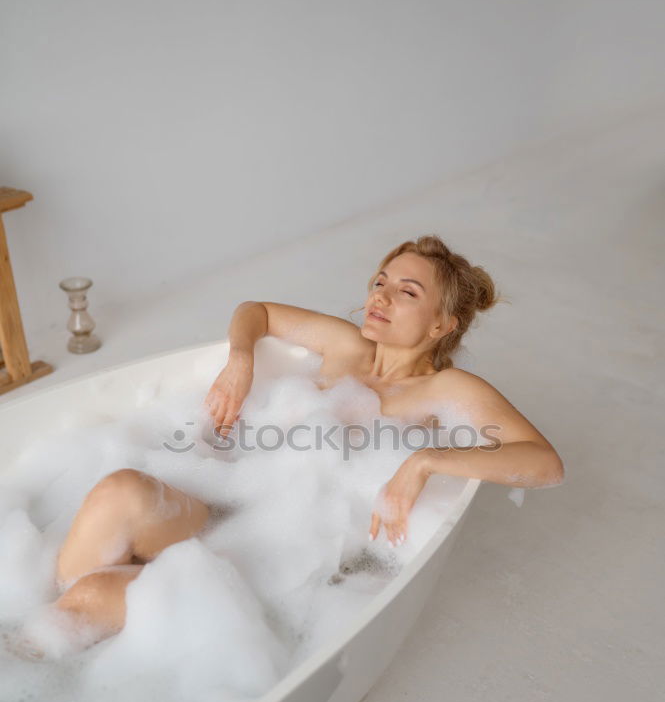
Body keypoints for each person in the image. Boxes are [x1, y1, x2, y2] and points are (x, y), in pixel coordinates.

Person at [46, 234, 564, 646]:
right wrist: (241, 359)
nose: (379, 296)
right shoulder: (346, 345)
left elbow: (544, 464)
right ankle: (45, 616)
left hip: (284, 565)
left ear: (441, 325)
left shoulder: (447, 389)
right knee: (121, 490)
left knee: (95, 594)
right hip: (231, 506)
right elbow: (257, 312)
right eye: (380, 281)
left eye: (407, 292)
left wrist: (425, 461)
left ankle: (42, 645)